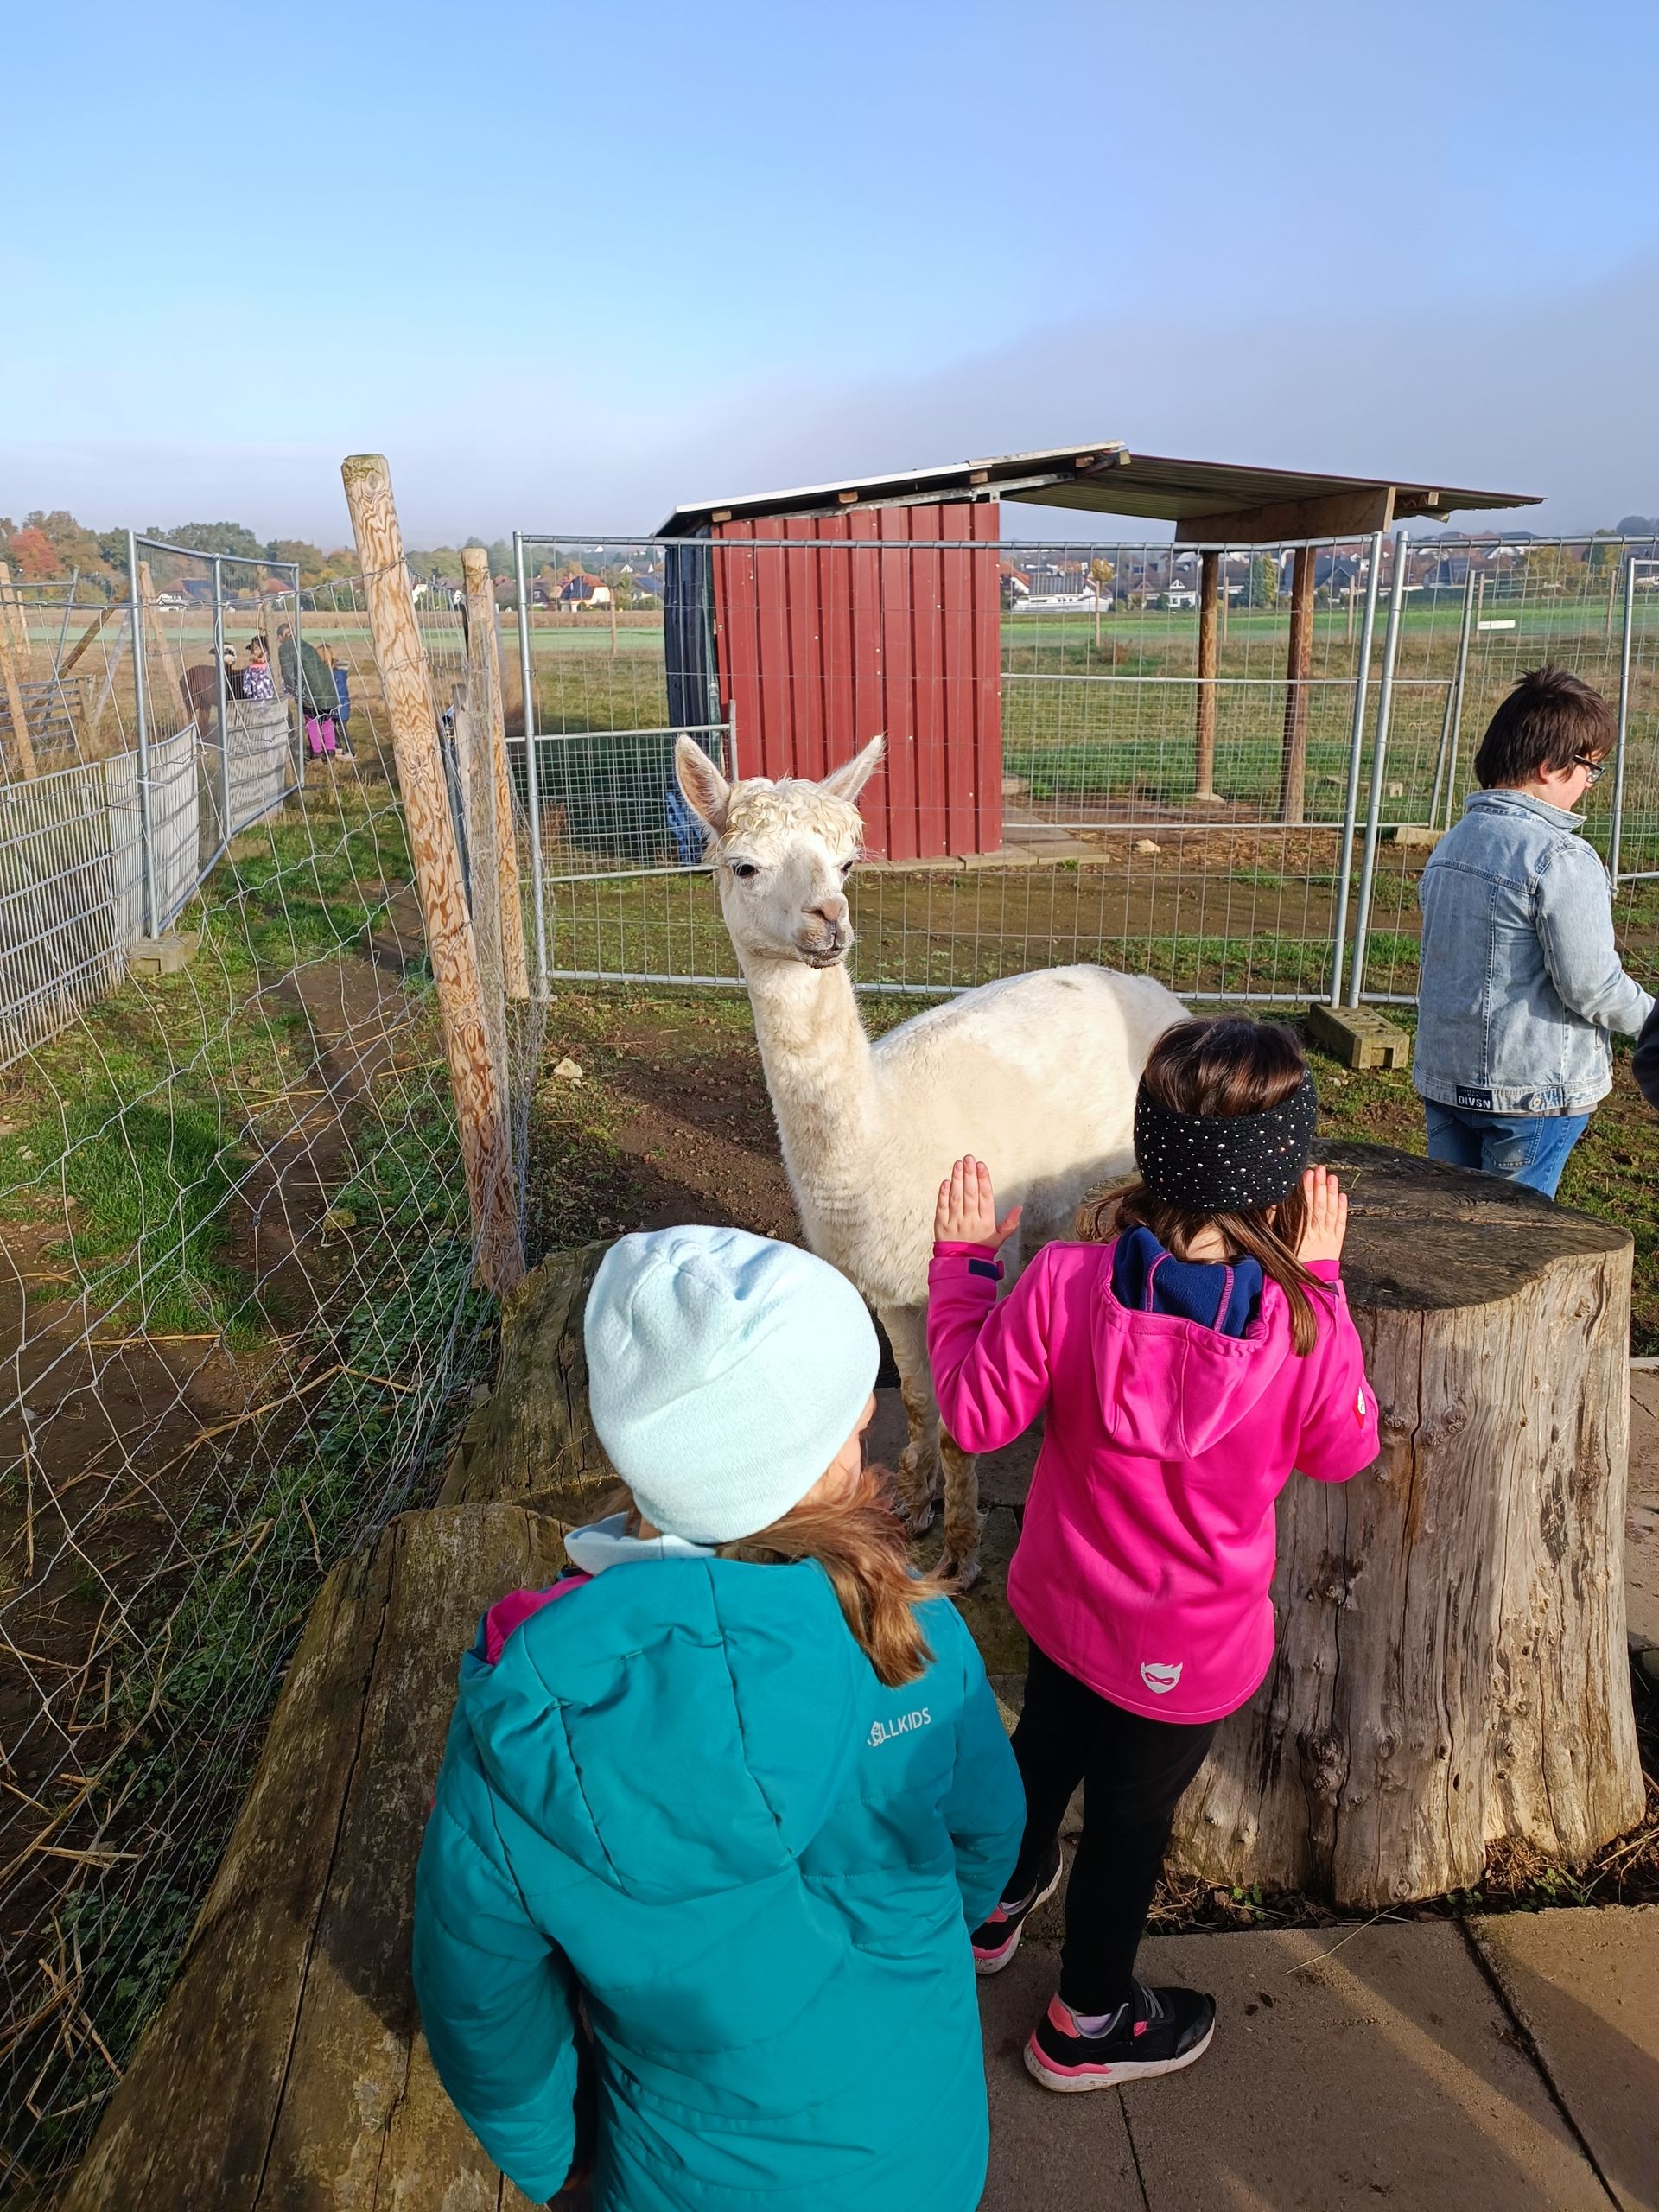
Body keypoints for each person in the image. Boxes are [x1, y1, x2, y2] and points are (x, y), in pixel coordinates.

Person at [413, 1224, 1024, 2211]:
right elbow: (988, 1833)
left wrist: (556, 2159)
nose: (869, 1434)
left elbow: (481, 2011)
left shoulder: (527, 1729)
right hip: (923, 2150)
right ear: (801, 1461)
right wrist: (903, 1955)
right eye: (851, 1424)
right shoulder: (916, 1629)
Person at [926, 1017, 1378, 2094]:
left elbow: (973, 1415)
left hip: (1063, 1604)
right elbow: (1345, 1447)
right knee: (1129, 1825)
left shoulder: (1063, 1281)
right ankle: (1085, 2021)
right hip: (1186, 1652)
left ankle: (991, 1906)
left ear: (1151, 1148)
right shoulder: (1299, 1322)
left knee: (1042, 1749)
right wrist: (1323, 1280)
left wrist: (963, 1271)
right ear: (1283, 1177)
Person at [1413, 665, 1652, 1197]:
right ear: (1550, 767)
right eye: (1590, 768)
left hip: (1447, 1082)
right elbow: (1592, 985)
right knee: (1512, 1233)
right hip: (1532, 1093)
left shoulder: (1451, 844)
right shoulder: (1561, 857)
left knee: (1451, 1221)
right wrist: (1651, 1017)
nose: (1590, 783)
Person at [276, 620, 339, 757]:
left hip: (309, 692)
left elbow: (288, 674)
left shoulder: (285, 649)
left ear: (280, 637)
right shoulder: (304, 644)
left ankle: (317, 751)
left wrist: (292, 691)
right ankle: (330, 749)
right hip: (326, 688)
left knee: (312, 720)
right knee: (326, 719)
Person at [321, 643, 353, 755]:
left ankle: (350, 752)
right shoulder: (337, 669)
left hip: (339, 704)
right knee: (333, 727)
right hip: (338, 704)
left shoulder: (335, 671)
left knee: (341, 729)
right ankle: (339, 749)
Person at [239, 638, 276, 702]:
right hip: (256, 700)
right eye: (253, 649)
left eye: (257, 648)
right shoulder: (250, 669)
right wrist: (250, 695)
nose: (254, 651)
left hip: (271, 700)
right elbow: (246, 684)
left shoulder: (271, 666)